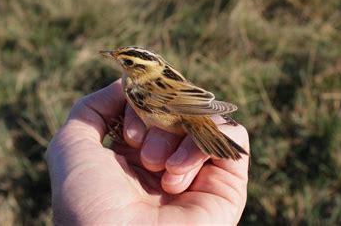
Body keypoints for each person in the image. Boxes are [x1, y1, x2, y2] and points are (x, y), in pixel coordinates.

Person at [46, 80, 250, 225]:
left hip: (183, 114)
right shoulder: (132, 86)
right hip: (190, 110)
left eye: (127, 62)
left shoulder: (137, 90)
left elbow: (175, 106)